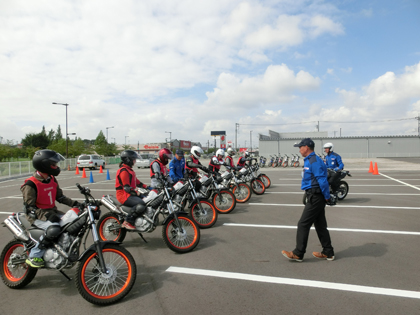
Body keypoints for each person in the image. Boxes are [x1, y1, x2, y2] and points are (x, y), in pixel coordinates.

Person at [21, 149, 80, 268]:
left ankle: (60, 251)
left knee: (72, 223)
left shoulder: (52, 179)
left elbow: (60, 197)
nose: (56, 167)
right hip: (36, 216)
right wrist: (46, 216)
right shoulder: (31, 184)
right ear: (44, 164)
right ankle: (34, 255)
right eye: (53, 164)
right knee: (54, 229)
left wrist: (76, 203)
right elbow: (30, 208)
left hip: (52, 212)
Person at [282, 138, 335, 262]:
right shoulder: (310, 160)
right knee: (320, 225)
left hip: (316, 196)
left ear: (306, 147)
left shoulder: (313, 161)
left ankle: (298, 253)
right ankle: (328, 252)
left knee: (303, 224)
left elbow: (322, 180)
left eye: (300, 147)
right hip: (314, 195)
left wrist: (327, 197)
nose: (299, 150)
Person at [116, 150, 151, 230]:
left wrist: (148, 187)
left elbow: (137, 182)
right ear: (128, 160)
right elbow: (126, 188)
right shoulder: (124, 171)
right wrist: (136, 193)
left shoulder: (129, 170)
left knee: (148, 199)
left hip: (129, 194)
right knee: (141, 204)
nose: (135, 161)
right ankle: (127, 221)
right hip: (124, 195)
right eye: (133, 159)